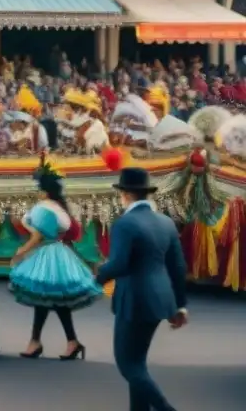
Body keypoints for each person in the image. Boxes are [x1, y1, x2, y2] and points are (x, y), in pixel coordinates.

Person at [95, 167, 187, 411]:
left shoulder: (125, 223)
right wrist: (181, 305)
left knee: (128, 365)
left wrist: (96, 277)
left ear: (125, 194)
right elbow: (178, 267)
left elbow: (119, 264)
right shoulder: (166, 222)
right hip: (161, 300)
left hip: (134, 300)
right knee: (138, 363)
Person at [10, 158, 101, 359]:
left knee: (48, 298)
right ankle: (57, 341)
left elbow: (38, 236)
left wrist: (21, 252)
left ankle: (45, 341)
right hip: (59, 254)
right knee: (51, 299)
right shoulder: (61, 209)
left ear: (44, 191)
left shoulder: (43, 208)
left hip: (46, 254)